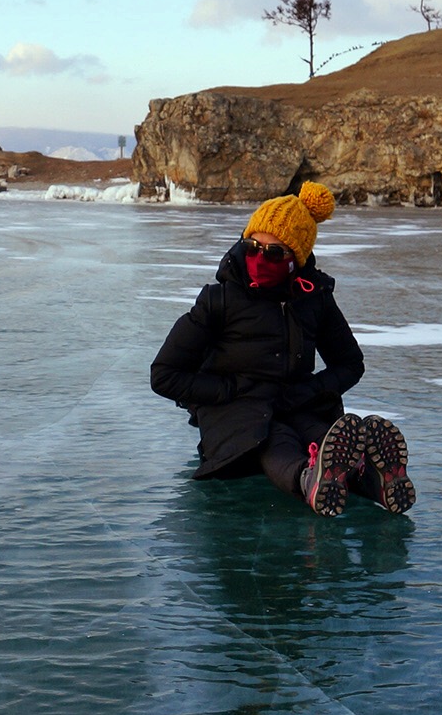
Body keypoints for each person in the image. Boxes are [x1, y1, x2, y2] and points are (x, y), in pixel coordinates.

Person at [151, 182, 414, 516]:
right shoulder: (218, 301)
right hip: (235, 413)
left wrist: (309, 390)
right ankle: (309, 480)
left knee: (324, 436)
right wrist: (230, 388)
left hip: (294, 402)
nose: (260, 258)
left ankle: (375, 480)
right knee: (274, 441)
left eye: (274, 253)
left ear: (296, 258)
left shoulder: (314, 298)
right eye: (252, 247)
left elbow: (350, 363)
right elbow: (164, 375)